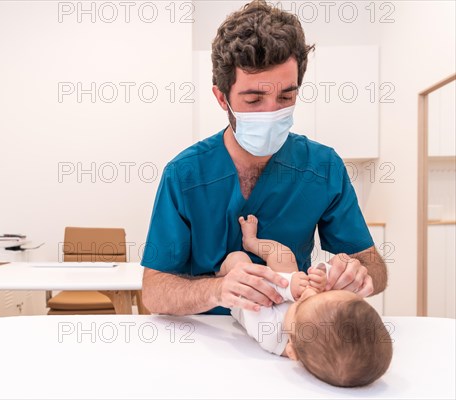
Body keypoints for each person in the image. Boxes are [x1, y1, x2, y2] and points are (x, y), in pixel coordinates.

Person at [141, 0, 387, 316]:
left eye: (286, 97)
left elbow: (373, 267)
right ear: (221, 98)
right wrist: (217, 290)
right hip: (205, 341)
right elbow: (154, 291)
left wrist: (358, 275)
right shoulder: (185, 174)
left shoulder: (322, 168)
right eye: (254, 99)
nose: (272, 112)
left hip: (291, 334)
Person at [224, 215, 393, 387]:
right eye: (318, 297)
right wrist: (322, 278)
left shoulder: (270, 335)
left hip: (253, 295)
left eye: (300, 306)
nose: (310, 294)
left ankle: (219, 272)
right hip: (286, 288)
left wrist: (289, 286)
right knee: (283, 255)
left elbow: (257, 291)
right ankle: (251, 241)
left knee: (238, 260)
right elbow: (325, 285)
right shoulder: (317, 323)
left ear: (292, 352)